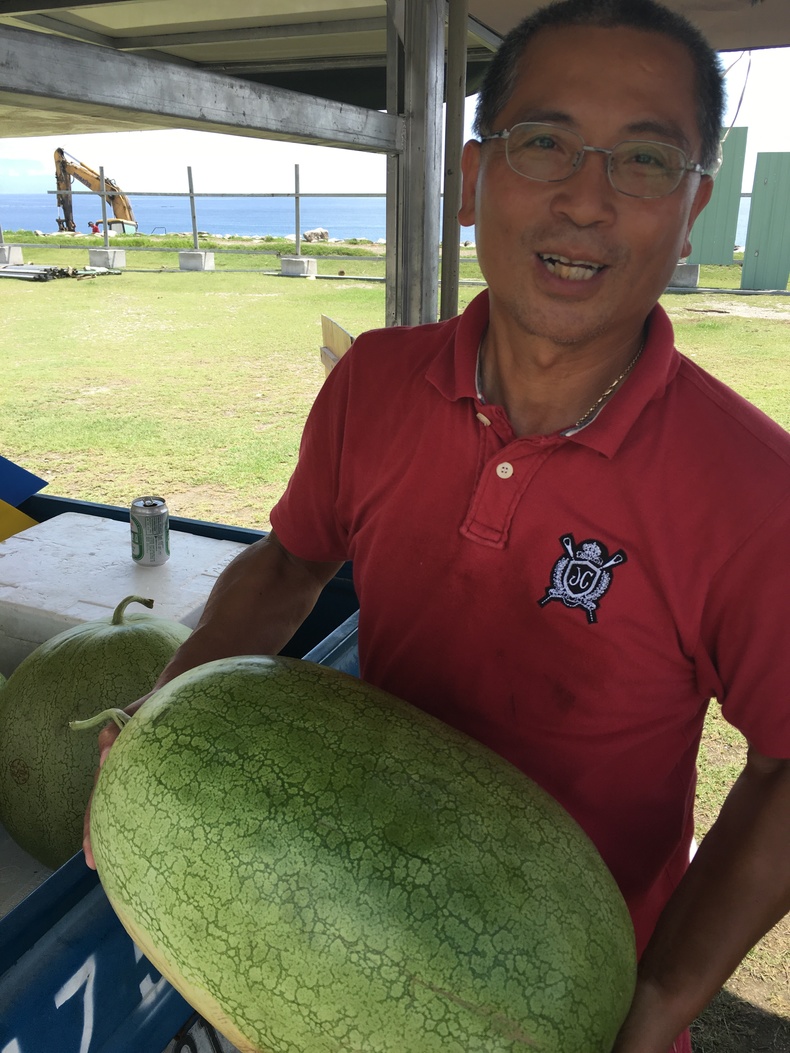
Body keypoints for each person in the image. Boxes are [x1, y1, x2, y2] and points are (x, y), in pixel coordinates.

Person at [84, 2, 790, 1050]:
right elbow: (287, 565)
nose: (585, 199)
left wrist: (660, 996)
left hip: (580, 997)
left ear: (694, 206)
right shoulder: (373, 381)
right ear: (471, 177)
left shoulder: (755, 490)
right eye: (543, 142)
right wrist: (163, 714)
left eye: (645, 160)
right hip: (345, 962)